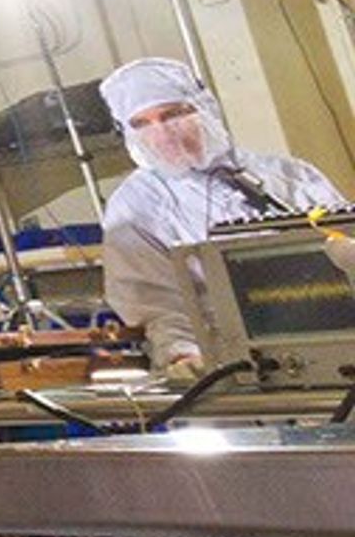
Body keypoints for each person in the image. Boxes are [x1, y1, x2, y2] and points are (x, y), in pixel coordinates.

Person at [95, 55, 348, 380]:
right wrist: (184, 355)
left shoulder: (290, 176)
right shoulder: (136, 206)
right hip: (233, 363)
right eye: (141, 123)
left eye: (173, 114)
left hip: (335, 338)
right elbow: (154, 306)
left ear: (204, 107)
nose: (163, 132)